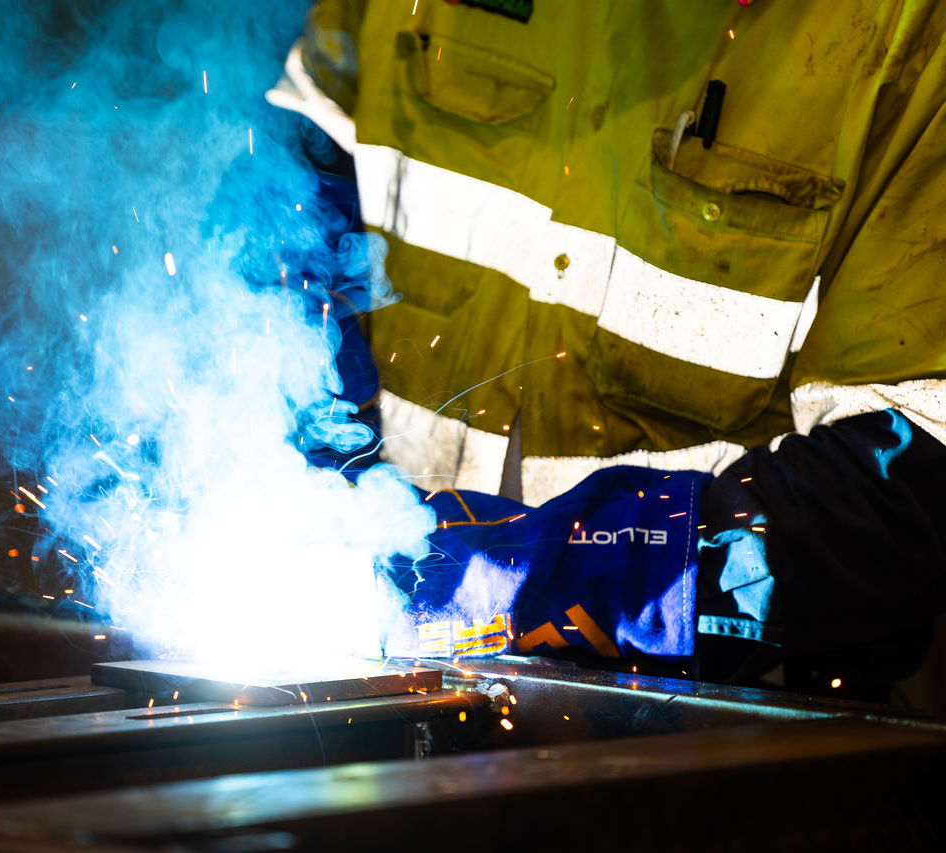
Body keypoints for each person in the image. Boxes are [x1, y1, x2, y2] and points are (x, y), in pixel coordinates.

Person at [271, 0, 946, 698]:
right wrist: (296, 474)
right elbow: (293, 197)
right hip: (383, 679)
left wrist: (552, 582)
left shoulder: (908, 29)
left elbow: (913, 484)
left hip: (704, 725)